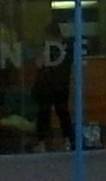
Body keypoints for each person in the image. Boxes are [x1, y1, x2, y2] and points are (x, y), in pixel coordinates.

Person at [31, 21, 74, 152]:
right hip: (62, 84)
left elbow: (39, 63)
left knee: (44, 113)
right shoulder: (68, 47)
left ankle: (42, 143)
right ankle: (68, 141)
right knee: (63, 113)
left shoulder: (47, 46)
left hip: (47, 84)